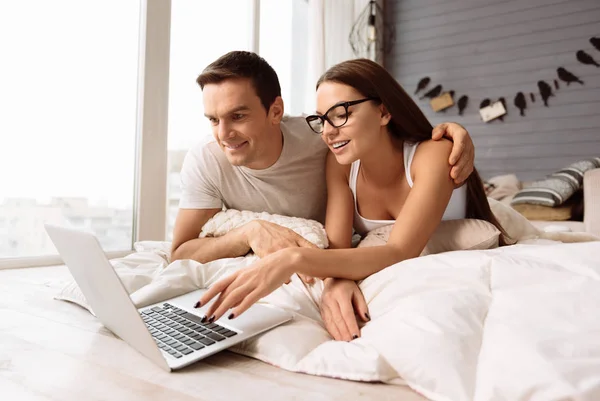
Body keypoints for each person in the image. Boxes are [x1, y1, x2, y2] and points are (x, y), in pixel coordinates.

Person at [172, 51, 477, 342]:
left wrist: (293, 258)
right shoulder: (339, 160)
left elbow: (399, 250)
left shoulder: (433, 154)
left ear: (384, 111)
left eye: (341, 114)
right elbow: (337, 246)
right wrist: (338, 280)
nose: (328, 132)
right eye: (322, 119)